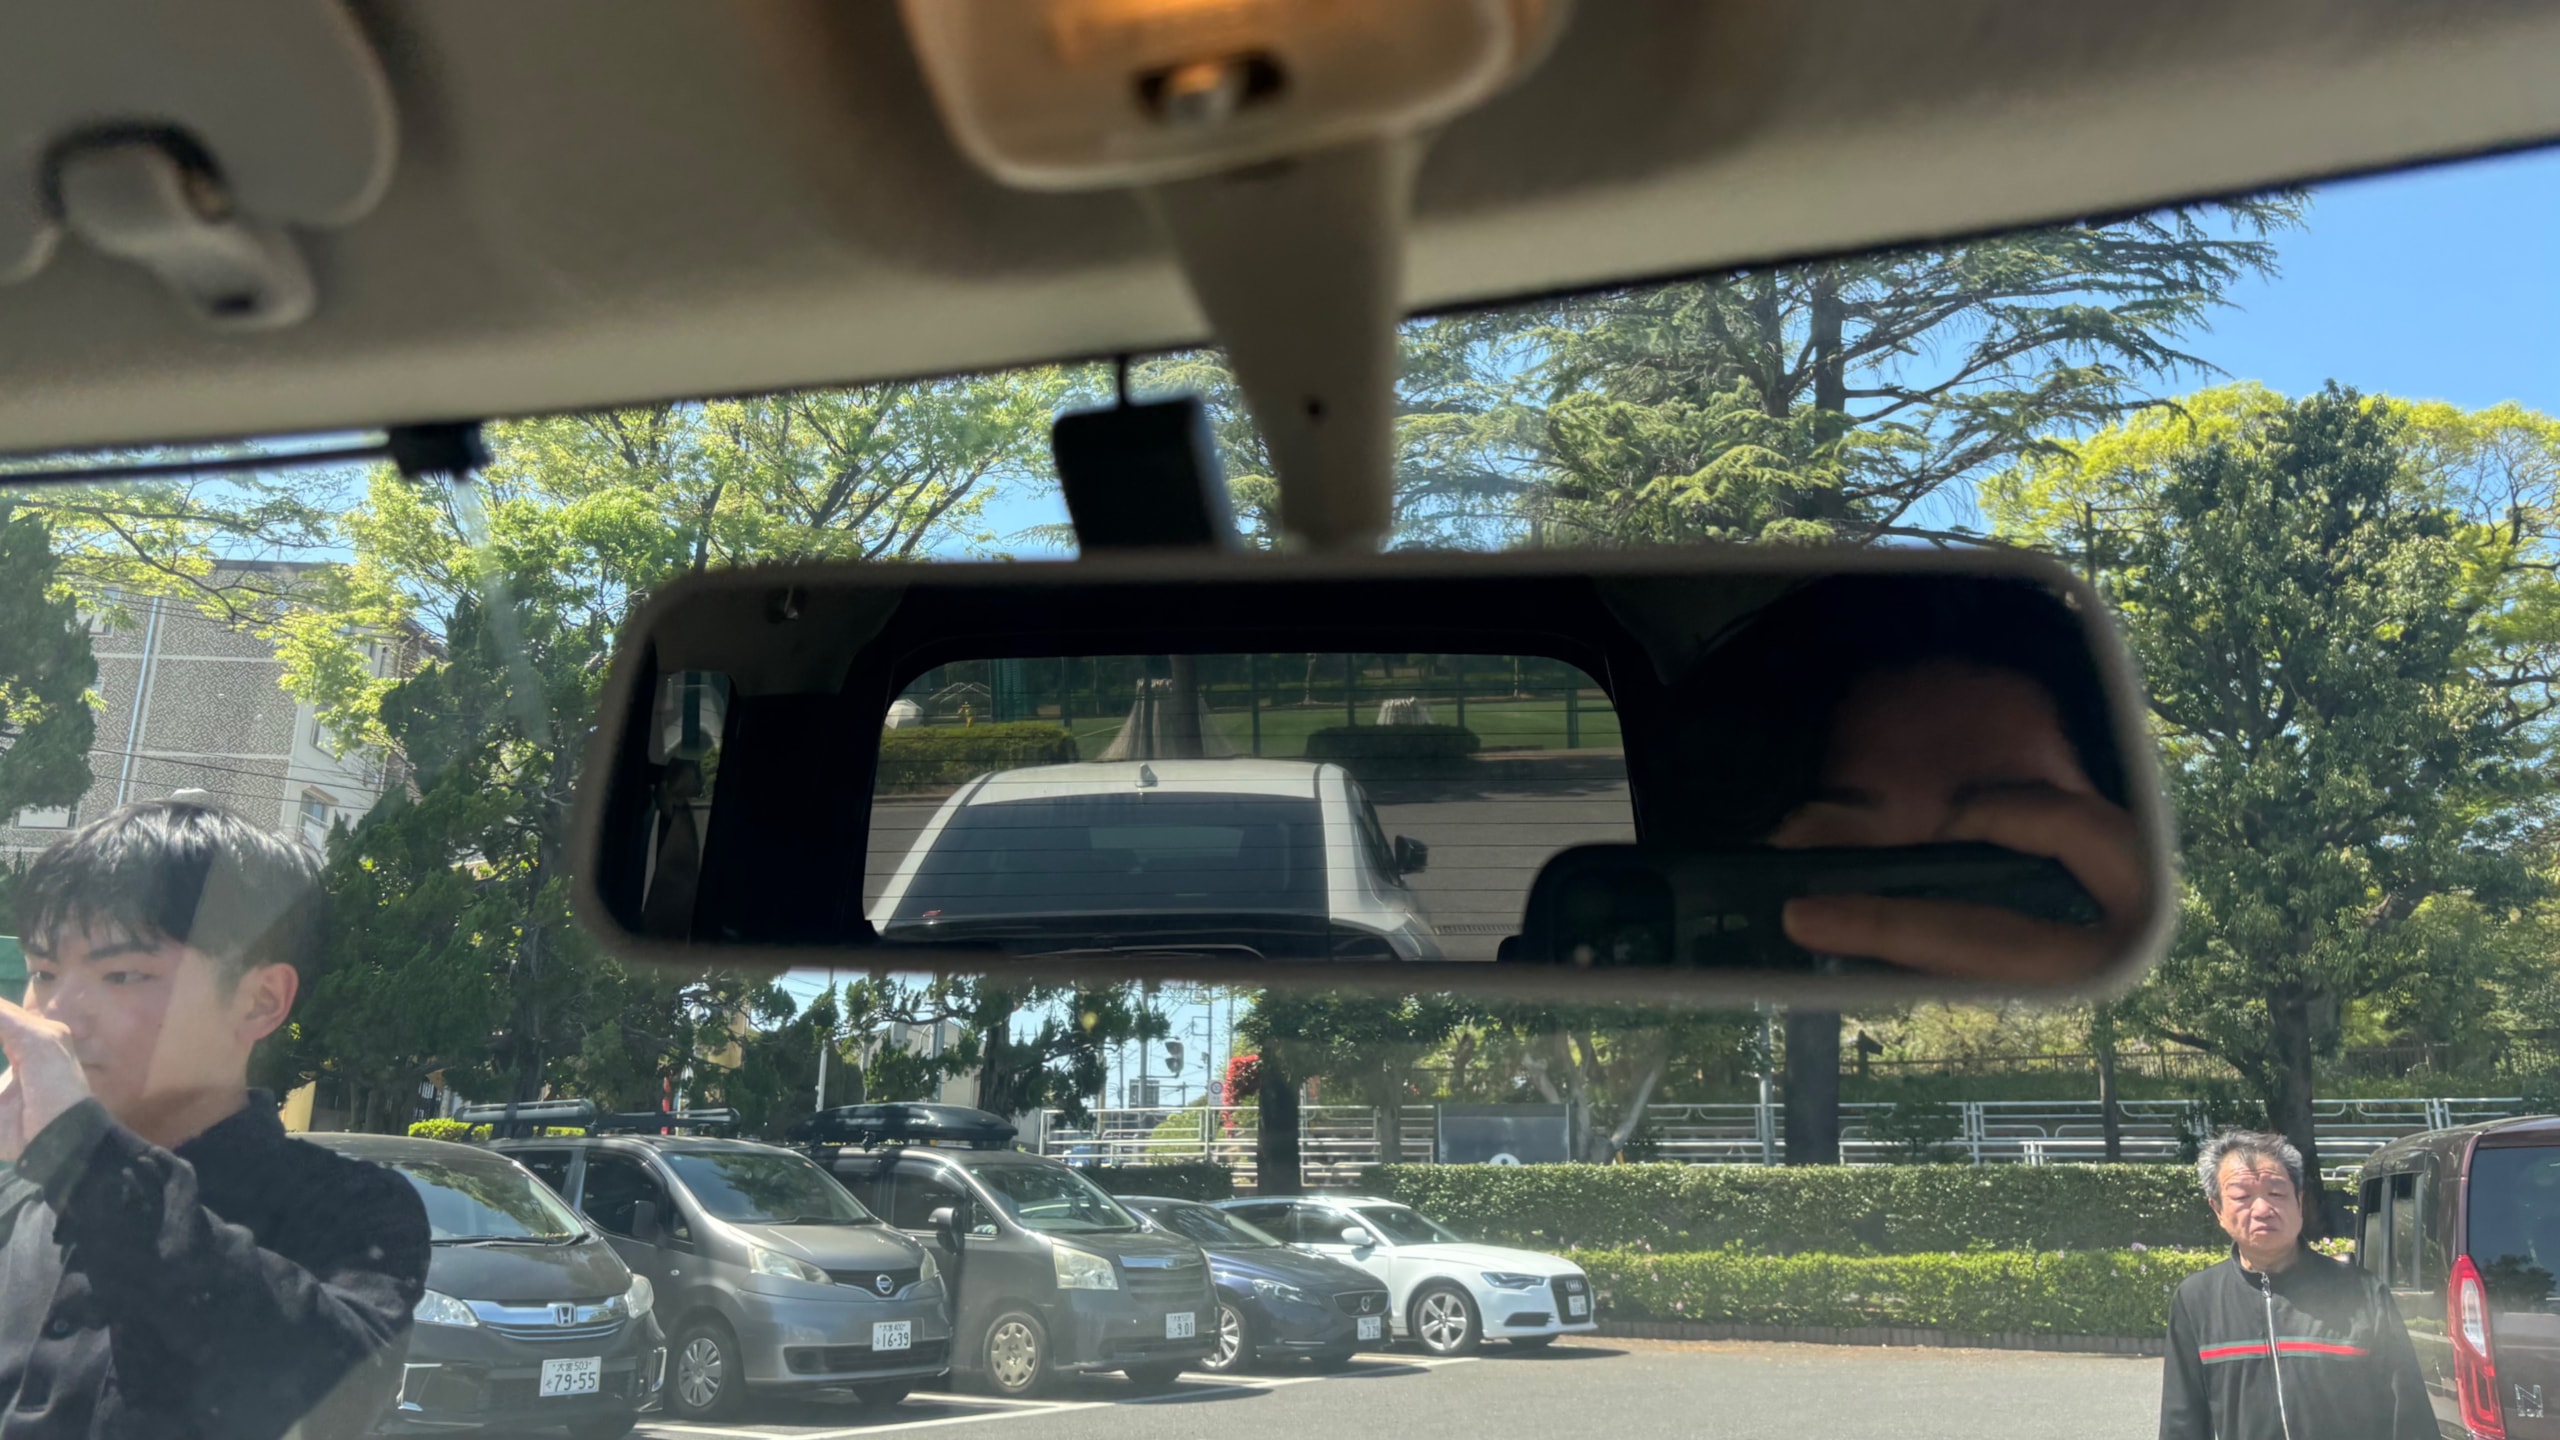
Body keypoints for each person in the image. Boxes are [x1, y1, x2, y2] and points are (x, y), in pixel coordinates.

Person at [0, 801, 430, 1440]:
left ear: (260, 1001)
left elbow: (326, 1400)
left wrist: (86, 1159)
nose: (56, 1017)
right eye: (43, 972)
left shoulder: (352, 1210)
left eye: (121, 974)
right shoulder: (16, 1194)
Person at [1674, 573, 2152, 981]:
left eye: (1995, 856)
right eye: (1839, 859)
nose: (1932, 936)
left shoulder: (2125, 957)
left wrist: (2139, 963)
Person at [2159, 1129, 2430, 1440]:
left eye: (2276, 1194)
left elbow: (2410, 1414)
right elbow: (2181, 1423)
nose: (2262, 1210)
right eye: (2242, 1197)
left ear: (2299, 1201)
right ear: (2218, 1209)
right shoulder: (2197, 1300)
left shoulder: (2362, 1292)